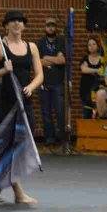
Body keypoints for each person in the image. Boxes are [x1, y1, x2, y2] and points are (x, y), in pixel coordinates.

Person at [0, 10, 44, 205]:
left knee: (22, 145)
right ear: (6, 25)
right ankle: (18, 193)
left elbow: (40, 75)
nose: (17, 24)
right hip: (7, 103)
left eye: (20, 21)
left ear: (24, 25)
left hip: (25, 101)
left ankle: (1, 181)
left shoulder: (32, 47)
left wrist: (31, 87)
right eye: (13, 21)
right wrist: (3, 70)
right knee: (10, 147)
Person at [37, 17, 66, 146]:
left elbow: (62, 60)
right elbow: (38, 62)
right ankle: (49, 138)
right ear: (45, 27)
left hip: (58, 82)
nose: (51, 28)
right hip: (43, 81)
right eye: (48, 25)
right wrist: (55, 59)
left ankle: (61, 137)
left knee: (60, 111)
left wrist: (47, 58)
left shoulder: (61, 41)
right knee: (46, 112)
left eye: (53, 25)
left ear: (56, 27)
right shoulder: (40, 43)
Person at [79, 37, 104, 118]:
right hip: (86, 89)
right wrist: (97, 70)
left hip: (98, 88)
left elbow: (104, 72)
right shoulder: (85, 58)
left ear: (98, 46)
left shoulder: (102, 59)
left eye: (94, 44)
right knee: (87, 114)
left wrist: (91, 70)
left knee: (99, 114)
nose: (91, 46)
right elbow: (84, 69)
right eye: (89, 45)